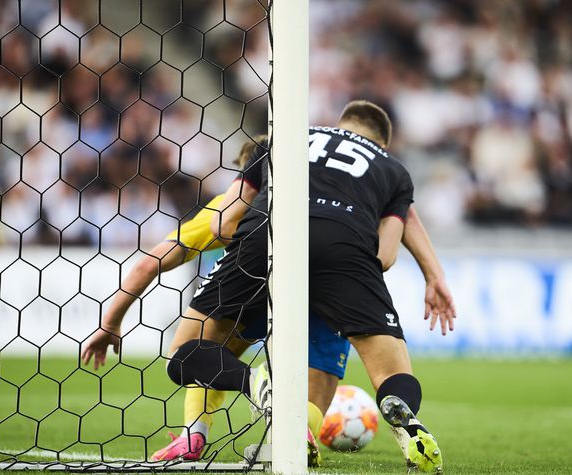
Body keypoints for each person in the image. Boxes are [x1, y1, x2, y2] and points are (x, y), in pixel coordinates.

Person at [164, 100, 456, 473]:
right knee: (389, 371)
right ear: (382, 142)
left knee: (185, 351)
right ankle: (406, 419)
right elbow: (385, 256)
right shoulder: (392, 169)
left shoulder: (282, 139)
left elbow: (225, 222)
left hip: (268, 236)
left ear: (340, 124)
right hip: (345, 250)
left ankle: (255, 384)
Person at [81, 137, 351, 466]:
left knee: (199, 352)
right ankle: (297, 433)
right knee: (318, 377)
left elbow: (148, 263)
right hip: (324, 282)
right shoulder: (339, 206)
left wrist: (110, 323)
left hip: (247, 283)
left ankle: (200, 430)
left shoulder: (229, 204)